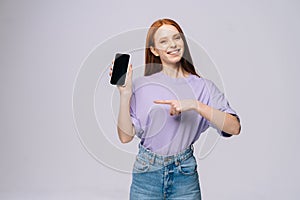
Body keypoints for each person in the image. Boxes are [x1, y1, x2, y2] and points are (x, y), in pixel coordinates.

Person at [109, 18, 241, 200]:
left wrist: (195, 105)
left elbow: (234, 128)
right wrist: (125, 94)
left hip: (184, 175)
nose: (173, 44)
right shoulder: (140, 86)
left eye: (176, 38)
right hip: (147, 173)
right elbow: (125, 137)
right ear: (154, 50)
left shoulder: (204, 87)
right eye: (163, 41)